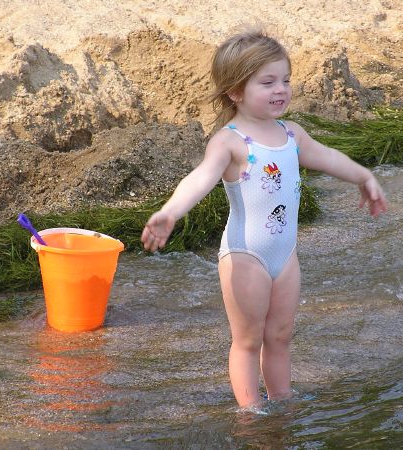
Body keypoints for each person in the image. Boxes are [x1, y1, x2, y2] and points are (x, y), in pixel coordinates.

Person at [141, 29, 387, 409]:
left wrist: (363, 176)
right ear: (235, 91)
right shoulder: (230, 141)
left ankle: (282, 400)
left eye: (285, 80)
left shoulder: (292, 134)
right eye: (267, 82)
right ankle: (250, 412)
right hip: (246, 256)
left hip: (285, 256)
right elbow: (201, 177)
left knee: (280, 335)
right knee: (248, 340)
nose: (281, 90)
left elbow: (327, 156)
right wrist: (170, 211)